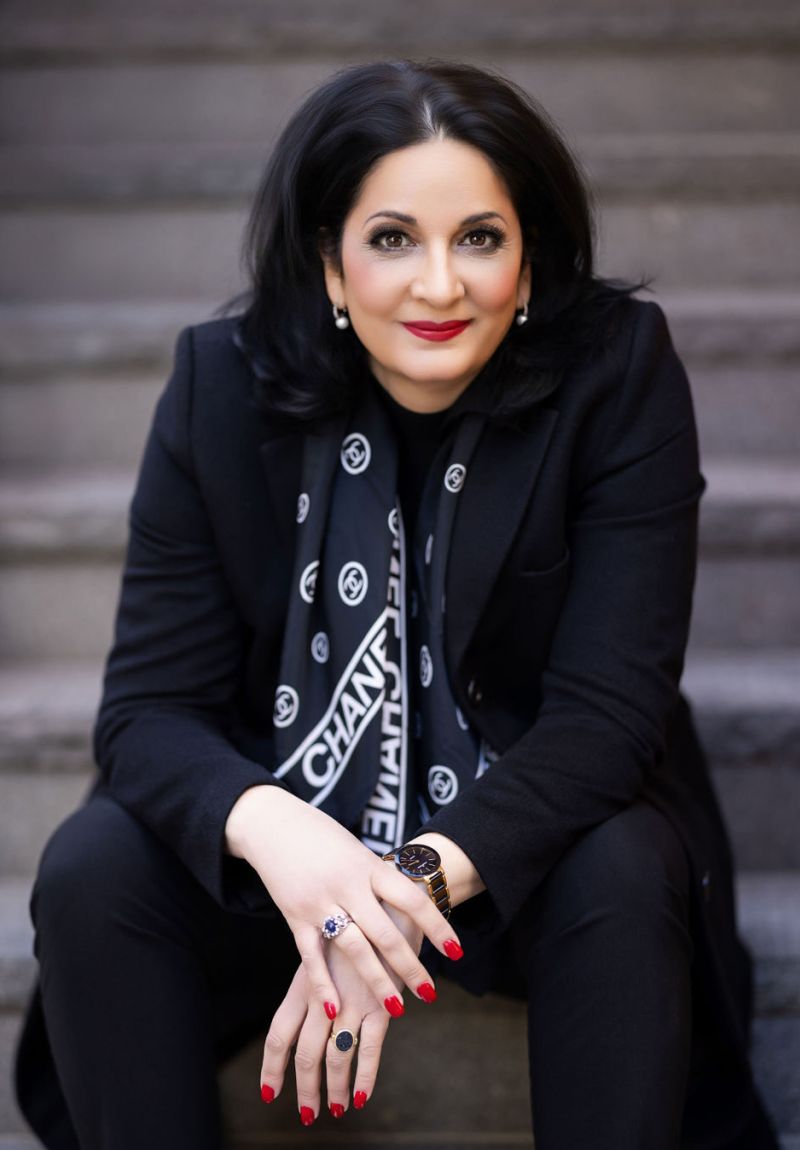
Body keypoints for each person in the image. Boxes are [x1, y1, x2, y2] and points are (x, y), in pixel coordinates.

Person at [15, 59, 780, 1149]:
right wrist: (285, 835)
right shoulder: (220, 386)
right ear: (329, 263)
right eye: (391, 240)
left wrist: (394, 890)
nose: (439, 285)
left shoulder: (614, 373)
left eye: (479, 237)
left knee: (622, 861)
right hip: (292, 849)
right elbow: (146, 715)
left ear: (527, 260)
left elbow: (607, 719)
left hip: (521, 836)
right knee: (95, 867)